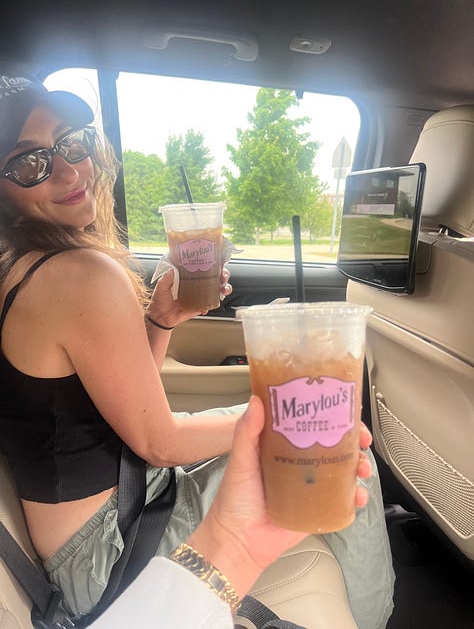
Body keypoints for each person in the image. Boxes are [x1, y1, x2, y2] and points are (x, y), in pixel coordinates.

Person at [0, 67, 394, 628]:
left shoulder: (22, 269)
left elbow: (114, 416)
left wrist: (161, 319)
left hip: (105, 528)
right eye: (29, 162)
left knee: (312, 443)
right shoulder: (79, 274)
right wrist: (295, 420)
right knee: (347, 452)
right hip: (111, 551)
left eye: (70, 143)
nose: (67, 169)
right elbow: (158, 442)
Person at [89, 395, 373, 628]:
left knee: (329, 432)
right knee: (333, 438)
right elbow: (159, 444)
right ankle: (374, 619)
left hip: (124, 478)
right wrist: (278, 425)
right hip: (105, 533)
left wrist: (237, 544)